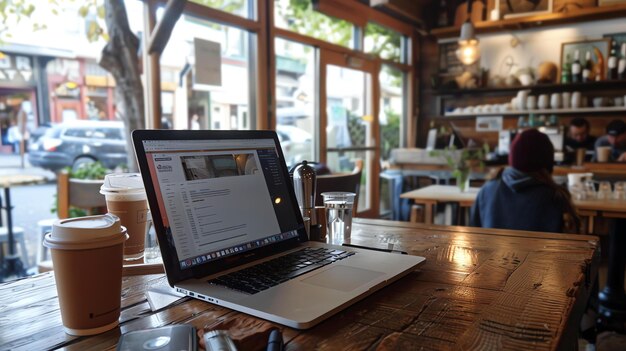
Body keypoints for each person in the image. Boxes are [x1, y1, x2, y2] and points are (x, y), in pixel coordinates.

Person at [470, 129, 580, 233]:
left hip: (491, 253)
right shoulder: (556, 197)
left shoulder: (487, 190)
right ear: (547, 163)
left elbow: (473, 235)